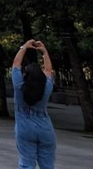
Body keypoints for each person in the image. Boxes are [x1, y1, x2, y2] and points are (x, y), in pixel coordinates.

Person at [12, 39, 56, 169]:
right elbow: (48, 70)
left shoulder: (19, 86)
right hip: (46, 130)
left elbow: (16, 64)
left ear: (25, 75)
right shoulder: (46, 87)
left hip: (24, 130)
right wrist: (44, 51)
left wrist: (24, 47)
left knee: (26, 165)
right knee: (48, 166)